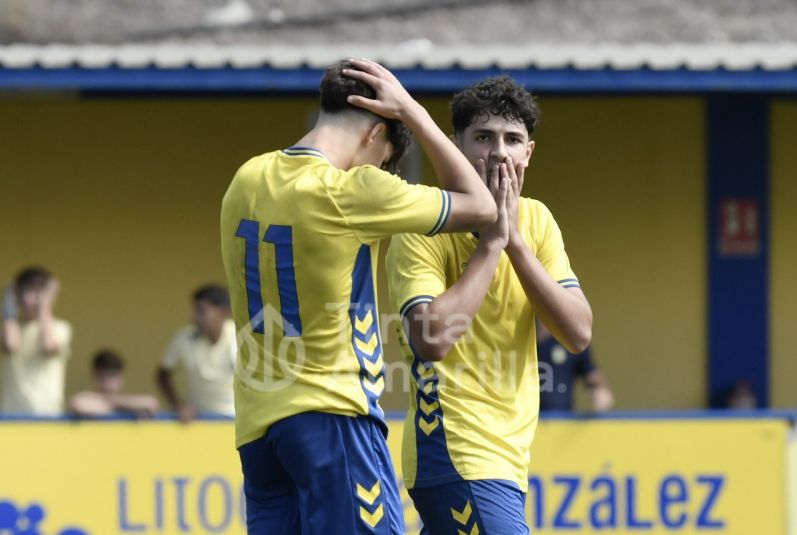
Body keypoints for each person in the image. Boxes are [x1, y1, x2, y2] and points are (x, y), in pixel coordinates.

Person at [220, 58, 496, 534]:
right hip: (333, 416)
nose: (382, 169)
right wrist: (413, 111)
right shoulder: (352, 189)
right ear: (375, 133)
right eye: (385, 159)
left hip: (257, 429)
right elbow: (482, 206)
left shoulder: (247, 177)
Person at [386, 76, 592, 534]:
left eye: (512, 140)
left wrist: (514, 241)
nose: (499, 152)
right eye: (483, 137)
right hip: (455, 450)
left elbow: (578, 332)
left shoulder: (537, 220)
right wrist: (492, 244)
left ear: (528, 153)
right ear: (455, 146)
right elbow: (432, 339)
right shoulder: (422, 223)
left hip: (509, 459)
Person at [156, 285, 236, 422]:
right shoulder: (184, 338)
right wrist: (178, 406)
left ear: (224, 313)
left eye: (201, 311)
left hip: (236, 420)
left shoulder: (241, 336)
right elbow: (162, 376)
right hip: (198, 421)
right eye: (195, 311)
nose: (194, 318)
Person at [1, 267, 72, 416]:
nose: (31, 299)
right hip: (10, 415)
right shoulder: (9, 328)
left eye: (38, 292)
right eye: (27, 291)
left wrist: (44, 307)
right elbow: (10, 345)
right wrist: (8, 302)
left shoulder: (60, 328)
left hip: (48, 415)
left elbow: (48, 346)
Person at [536, 318, 613, 412]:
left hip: (562, 417)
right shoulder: (521, 340)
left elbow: (592, 377)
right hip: (522, 418)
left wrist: (600, 393)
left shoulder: (569, 341)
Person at [70, 349, 159, 418]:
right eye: (101, 377)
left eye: (112, 376)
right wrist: (125, 407)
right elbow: (78, 404)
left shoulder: (123, 402)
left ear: (121, 378)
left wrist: (115, 403)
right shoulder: (84, 400)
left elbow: (151, 403)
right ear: (93, 378)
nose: (106, 383)